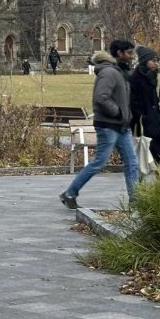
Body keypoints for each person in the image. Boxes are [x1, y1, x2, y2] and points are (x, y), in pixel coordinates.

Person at [60, 39, 140, 209]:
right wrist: (117, 112)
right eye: (129, 52)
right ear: (119, 53)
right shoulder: (110, 73)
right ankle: (69, 193)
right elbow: (100, 97)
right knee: (99, 162)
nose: (132, 56)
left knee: (132, 163)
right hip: (109, 125)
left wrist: (126, 115)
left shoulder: (120, 72)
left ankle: (136, 200)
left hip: (121, 126)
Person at [130, 47, 160, 166]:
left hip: (153, 117)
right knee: (151, 146)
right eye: (153, 60)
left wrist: (157, 113)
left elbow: (154, 99)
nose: (155, 63)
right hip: (143, 119)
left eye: (156, 60)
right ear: (145, 61)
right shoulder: (135, 78)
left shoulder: (151, 76)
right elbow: (133, 100)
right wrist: (141, 115)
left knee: (159, 144)